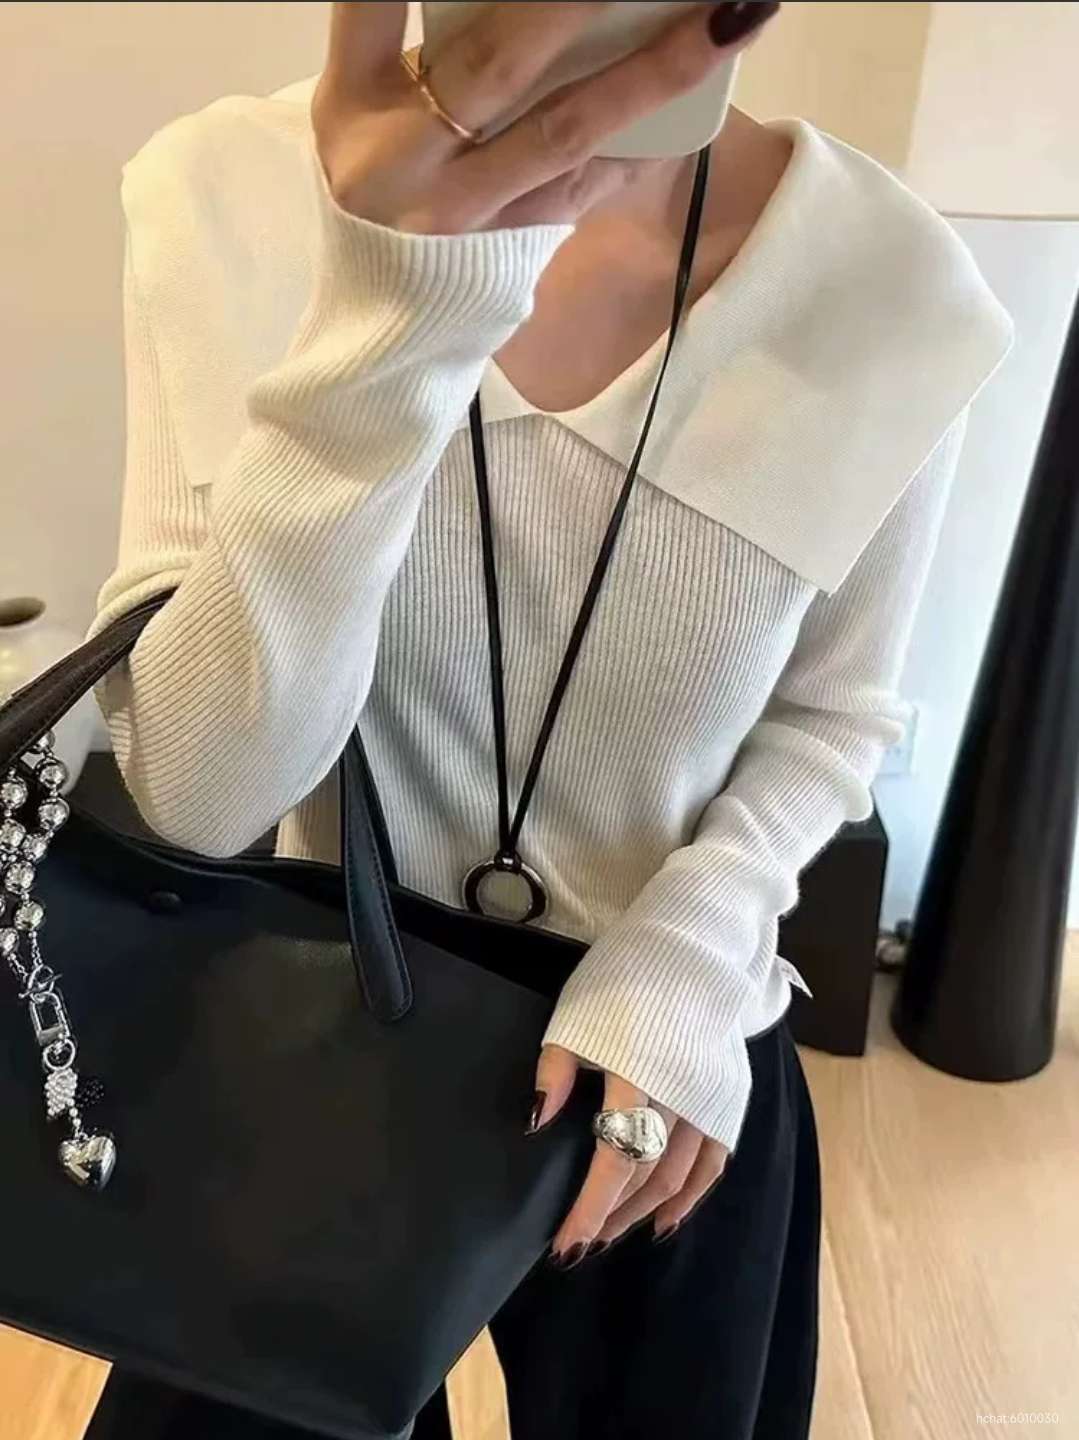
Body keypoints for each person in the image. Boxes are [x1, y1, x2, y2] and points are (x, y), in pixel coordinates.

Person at [84, 3, 1012, 1437]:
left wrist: (692, 953)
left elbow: (835, 716)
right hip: (315, 1015)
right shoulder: (224, 194)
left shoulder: (890, 283)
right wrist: (395, 309)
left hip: (665, 1059)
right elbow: (200, 795)